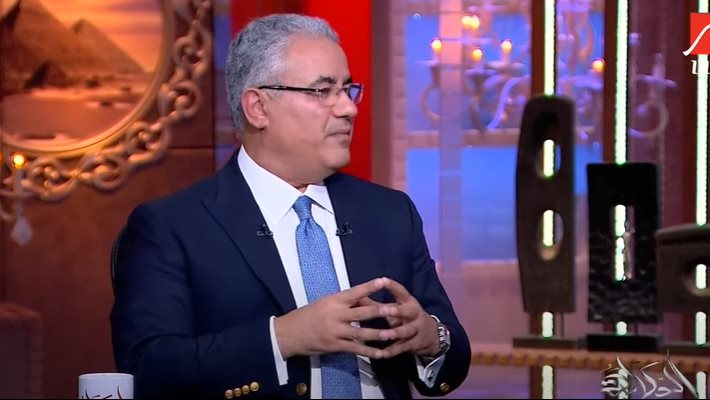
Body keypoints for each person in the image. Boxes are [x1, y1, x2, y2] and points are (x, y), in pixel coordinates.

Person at [110, 13, 471, 399]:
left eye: (348, 89)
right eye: (323, 91)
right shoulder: (171, 227)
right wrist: (283, 338)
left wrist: (431, 337)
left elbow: (454, 357)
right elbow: (149, 369)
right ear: (258, 108)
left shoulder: (391, 213)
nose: (348, 108)